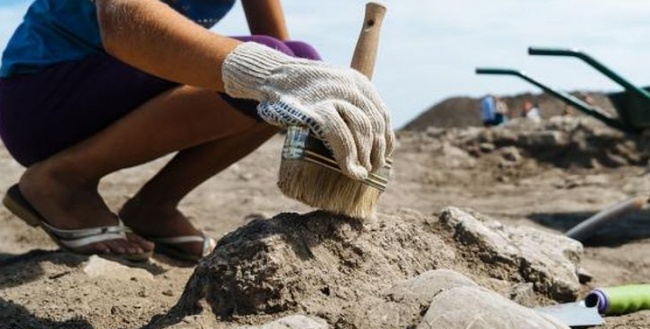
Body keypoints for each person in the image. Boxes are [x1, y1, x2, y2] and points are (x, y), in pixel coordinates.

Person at [0, 0, 394, 263]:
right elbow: (124, 25)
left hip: (110, 94)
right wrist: (275, 74)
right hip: (39, 100)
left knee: (300, 59)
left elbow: (289, 53)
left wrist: (324, 110)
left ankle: (154, 205)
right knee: (279, 68)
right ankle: (63, 180)